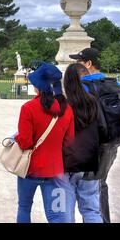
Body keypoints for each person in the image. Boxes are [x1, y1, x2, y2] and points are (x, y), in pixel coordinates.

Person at [69, 47, 120, 223]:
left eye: (79, 61)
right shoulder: (115, 84)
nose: (77, 65)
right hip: (111, 143)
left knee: (88, 193)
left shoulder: (83, 87)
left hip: (91, 146)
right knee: (101, 184)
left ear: (88, 64)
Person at [14, 62, 75, 223]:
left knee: (24, 207)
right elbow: (69, 141)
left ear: (38, 86)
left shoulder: (28, 107)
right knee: (56, 215)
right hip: (55, 170)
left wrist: (16, 138)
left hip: (30, 169)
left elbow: (25, 142)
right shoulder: (67, 109)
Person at [62, 63, 105, 223]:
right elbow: (102, 129)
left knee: (65, 213)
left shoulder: (63, 105)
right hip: (90, 161)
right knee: (91, 210)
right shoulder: (94, 102)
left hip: (67, 162)